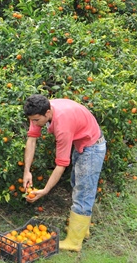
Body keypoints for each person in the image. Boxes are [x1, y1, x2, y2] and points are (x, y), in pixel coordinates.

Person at [22, 94, 106, 252]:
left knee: (83, 191)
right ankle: (82, 230)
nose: (33, 123)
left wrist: (45, 191)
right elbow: (31, 139)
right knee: (77, 184)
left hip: (92, 146)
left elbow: (61, 165)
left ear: (47, 113)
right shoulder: (40, 111)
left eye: (35, 121)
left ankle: (74, 242)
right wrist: (27, 171)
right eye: (31, 120)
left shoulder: (63, 125)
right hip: (81, 141)